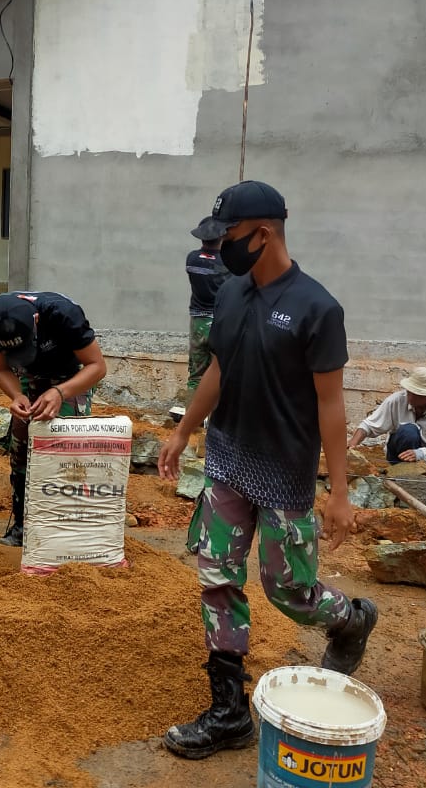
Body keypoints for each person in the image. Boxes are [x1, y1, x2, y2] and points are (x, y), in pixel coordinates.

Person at [158, 180, 377, 760]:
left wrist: (339, 491)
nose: (217, 249)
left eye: (226, 236)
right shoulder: (230, 294)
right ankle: (229, 712)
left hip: (284, 474)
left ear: (265, 233)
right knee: (217, 576)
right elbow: (219, 370)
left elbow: (331, 406)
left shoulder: (317, 309)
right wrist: (184, 432)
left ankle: (350, 618)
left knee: (288, 589)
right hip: (228, 460)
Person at [0, 291, 108, 547]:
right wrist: (16, 395)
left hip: (70, 378)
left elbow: (97, 367)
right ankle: (23, 529)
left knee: (64, 453)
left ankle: (64, 531)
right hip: (28, 379)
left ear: (35, 321)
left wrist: (60, 392)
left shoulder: (62, 313)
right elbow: (1, 368)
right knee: (21, 450)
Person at [348, 366, 426, 483]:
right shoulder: (396, 400)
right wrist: (352, 444)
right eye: (410, 392)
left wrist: (420, 454)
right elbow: (369, 425)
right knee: (409, 431)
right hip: (399, 455)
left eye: (418, 394)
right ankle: (406, 477)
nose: (411, 396)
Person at [185, 218, 231, 395]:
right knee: (222, 374)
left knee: (195, 377)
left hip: (198, 322)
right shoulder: (227, 264)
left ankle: (193, 420)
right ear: (221, 237)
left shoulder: (192, 259)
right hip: (220, 323)